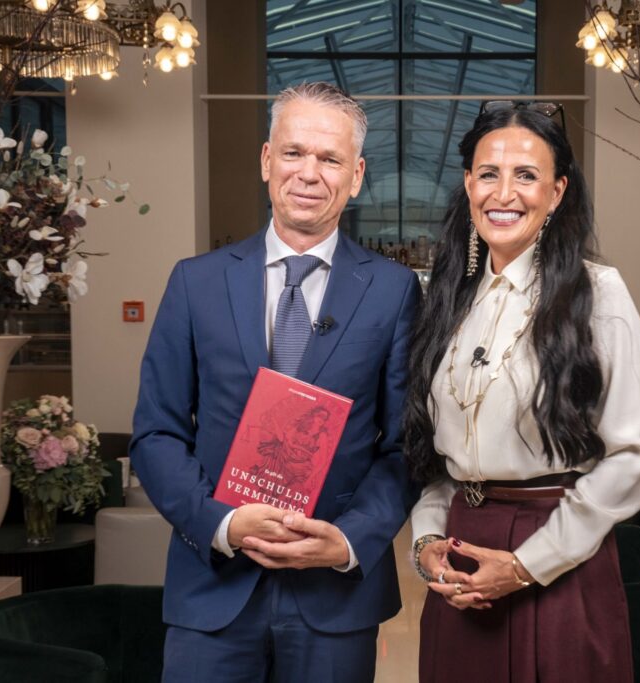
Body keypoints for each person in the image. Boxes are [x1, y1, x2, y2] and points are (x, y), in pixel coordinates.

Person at [130, 82, 421, 683]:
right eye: (294, 152)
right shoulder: (195, 283)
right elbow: (157, 434)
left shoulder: (394, 292)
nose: (309, 173)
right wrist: (220, 523)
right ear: (267, 160)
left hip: (334, 598)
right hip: (211, 586)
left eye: (330, 158)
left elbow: (405, 447)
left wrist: (348, 540)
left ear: (356, 176)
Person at [404, 102, 640, 682]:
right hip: (462, 563)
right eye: (488, 174)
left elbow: (631, 456)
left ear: (557, 191)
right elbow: (441, 460)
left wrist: (525, 565)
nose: (504, 193)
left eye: (526, 175)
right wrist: (427, 541)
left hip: (557, 557)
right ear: (468, 185)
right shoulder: (450, 297)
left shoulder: (598, 295)